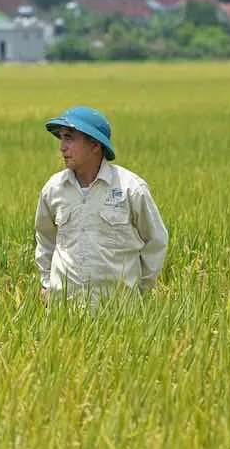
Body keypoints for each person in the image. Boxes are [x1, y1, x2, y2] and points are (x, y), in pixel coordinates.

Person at [34, 106, 168, 306]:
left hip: (119, 313)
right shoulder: (54, 189)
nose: (62, 146)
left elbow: (155, 241)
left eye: (69, 137)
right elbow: (45, 240)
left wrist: (142, 291)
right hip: (63, 313)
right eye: (61, 138)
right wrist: (46, 283)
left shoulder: (130, 189)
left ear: (95, 145)